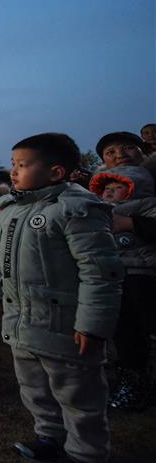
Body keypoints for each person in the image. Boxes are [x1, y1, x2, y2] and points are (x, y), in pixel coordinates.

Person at [0, 133, 124, 462]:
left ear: (56, 172)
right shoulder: (12, 208)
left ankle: (86, 453)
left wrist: (92, 325)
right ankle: (48, 437)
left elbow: (100, 272)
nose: (13, 171)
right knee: (35, 388)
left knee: (78, 394)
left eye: (23, 165)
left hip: (65, 325)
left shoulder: (77, 208)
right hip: (23, 321)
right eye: (13, 164)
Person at [89, 166, 156, 410]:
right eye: (107, 189)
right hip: (111, 276)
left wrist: (132, 223)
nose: (110, 192)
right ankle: (132, 382)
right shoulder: (96, 210)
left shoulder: (147, 205)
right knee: (124, 331)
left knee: (145, 326)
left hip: (143, 274)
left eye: (118, 188)